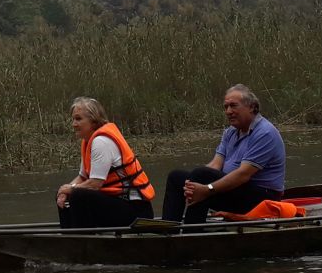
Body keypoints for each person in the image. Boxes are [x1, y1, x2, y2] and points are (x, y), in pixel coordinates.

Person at [161, 85, 286, 224]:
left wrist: (207, 188)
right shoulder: (231, 132)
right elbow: (215, 164)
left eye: (233, 106)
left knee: (202, 176)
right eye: (226, 107)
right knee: (177, 177)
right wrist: (191, 185)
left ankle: (193, 231)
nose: (228, 111)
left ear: (252, 107)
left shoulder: (265, 133)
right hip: (235, 191)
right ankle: (167, 230)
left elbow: (243, 175)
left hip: (262, 198)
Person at [55, 97, 156, 228]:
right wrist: (64, 191)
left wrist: (71, 189)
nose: (74, 124)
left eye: (79, 119)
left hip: (135, 210)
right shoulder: (88, 141)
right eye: (73, 119)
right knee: (63, 194)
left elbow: (95, 184)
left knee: (78, 195)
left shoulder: (101, 141)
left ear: (93, 120)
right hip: (116, 204)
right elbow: (82, 177)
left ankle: (83, 241)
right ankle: (70, 236)